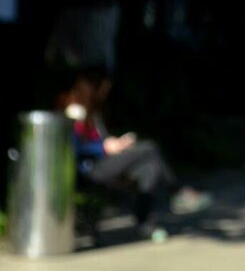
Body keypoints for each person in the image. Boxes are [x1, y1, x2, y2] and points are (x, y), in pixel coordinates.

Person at [62, 69, 211, 238]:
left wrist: (118, 144)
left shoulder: (94, 112)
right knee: (149, 147)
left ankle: (146, 225)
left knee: (150, 168)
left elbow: (101, 140)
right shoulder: (74, 111)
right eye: (103, 87)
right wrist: (104, 147)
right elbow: (73, 147)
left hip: (107, 163)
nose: (106, 91)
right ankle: (176, 192)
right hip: (92, 169)